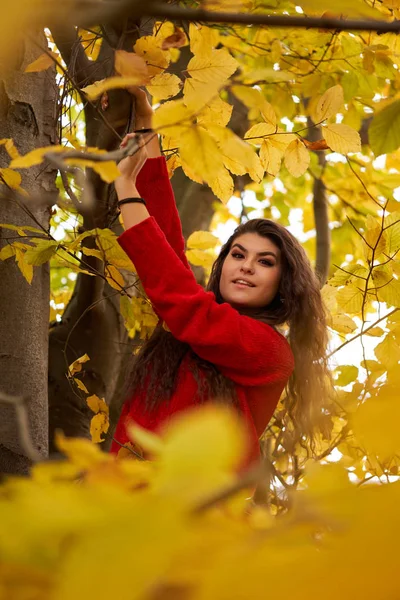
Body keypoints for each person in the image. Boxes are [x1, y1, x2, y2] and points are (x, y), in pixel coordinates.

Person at [110, 88, 331, 466]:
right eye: (238, 254)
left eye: (265, 262)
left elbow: (181, 300)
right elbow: (166, 246)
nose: (245, 266)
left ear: (285, 284)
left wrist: (126, 189)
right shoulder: (192, 325)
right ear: (223, 263)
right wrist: (148, 126)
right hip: (116, 496)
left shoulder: (271, 352)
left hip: (193, 512)